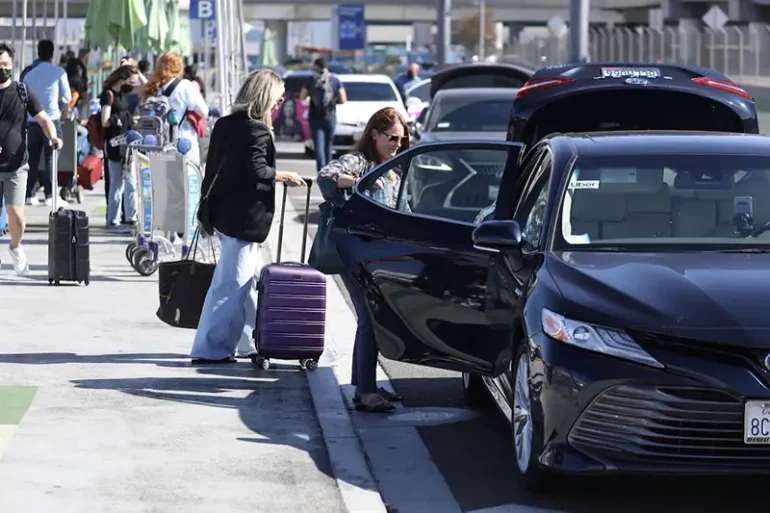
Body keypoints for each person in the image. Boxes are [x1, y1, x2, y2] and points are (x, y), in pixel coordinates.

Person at [190, 69, 306, 364]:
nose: (279, 107)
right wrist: (283, 175)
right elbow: (257, 170)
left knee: (251, 280)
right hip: (243, 218)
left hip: (223, 213)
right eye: (277, 101)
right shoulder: (256, 130)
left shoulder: (226, 124)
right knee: (231, 285)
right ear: (265, 98)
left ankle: (251, 341)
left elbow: (214, 166)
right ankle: (210, 348)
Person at [317, 106, 410, 412]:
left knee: (375, 318)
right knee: (370, 317)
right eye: (392, 137)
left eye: (401, 138)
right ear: (374, 134)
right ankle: (366, 392)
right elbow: (327, 176)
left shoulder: (397, 165)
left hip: (381, 256)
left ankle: (364, 385)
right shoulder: (361, 161)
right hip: (354, 253)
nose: (397, 143)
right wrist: (357, 180)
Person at [0, 43, 62, 275]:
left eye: (5, 65)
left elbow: (44, 119)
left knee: (17, 216)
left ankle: (15, 247)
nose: (2, 69)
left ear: (12, 65)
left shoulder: (22, 91)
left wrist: (54, 137)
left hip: (16, 166)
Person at [23, 40, 70, 206]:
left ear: (38, 53)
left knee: (32, 159)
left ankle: (30, 194)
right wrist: (61, 108)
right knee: (51, 159)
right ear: (52, 54)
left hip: (32, 121)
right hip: (52, 119)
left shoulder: (29, 74)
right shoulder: (59, 72)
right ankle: (50, 196)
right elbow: (67, 97)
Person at [142, 52, 208, 166]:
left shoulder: (156, 88)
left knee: (165, 182)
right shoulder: (185, 86)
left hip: (160, 144)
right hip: (183, 144)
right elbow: (203, 111)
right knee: (187, 181)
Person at [100, 65, 139, 234]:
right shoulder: (108, 95)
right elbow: (105, 121)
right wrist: (121, 118)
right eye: (131, 81)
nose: (132, 85)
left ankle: (131, 217)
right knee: (117, 184)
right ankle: (113, 221)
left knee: (130, 183)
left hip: (127, 144)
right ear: (122, 79)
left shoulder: (122, 95)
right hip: (115, 144)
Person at [300, 58, 346, 172]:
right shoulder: (335, 80)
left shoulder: (310, 80)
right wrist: (333, 102)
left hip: (315, 117)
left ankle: (321, 171)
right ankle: (329, 171)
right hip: (330, 116)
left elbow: (302, 97)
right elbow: (343, 99)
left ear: (316, 66)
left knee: (318, 146)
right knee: (328, 145)